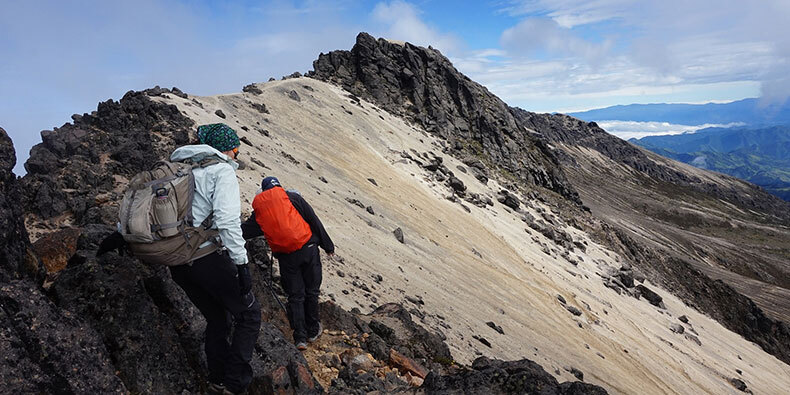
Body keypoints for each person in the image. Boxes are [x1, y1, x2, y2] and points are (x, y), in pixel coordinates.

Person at [168, 123, 261, 395]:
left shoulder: (182, 170)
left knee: (218, 319)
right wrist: (242, 264)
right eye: (235, 148)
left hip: (178, 262)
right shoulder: (221, 172)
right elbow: (227, 220)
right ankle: (234, 386)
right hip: (205, 256)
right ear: (225, 149)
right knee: (249, 315)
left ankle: (217, 379)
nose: (237, 153)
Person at [242, 176, 334, 350]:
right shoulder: (293, 198)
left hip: (286, 256)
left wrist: (224, 232)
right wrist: (327, 245)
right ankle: (313, 330)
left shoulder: (261, 210)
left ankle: (300, 338)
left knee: (296, 295)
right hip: (308, 248)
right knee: (312, 291)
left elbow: (246, 231)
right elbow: (314, 221)